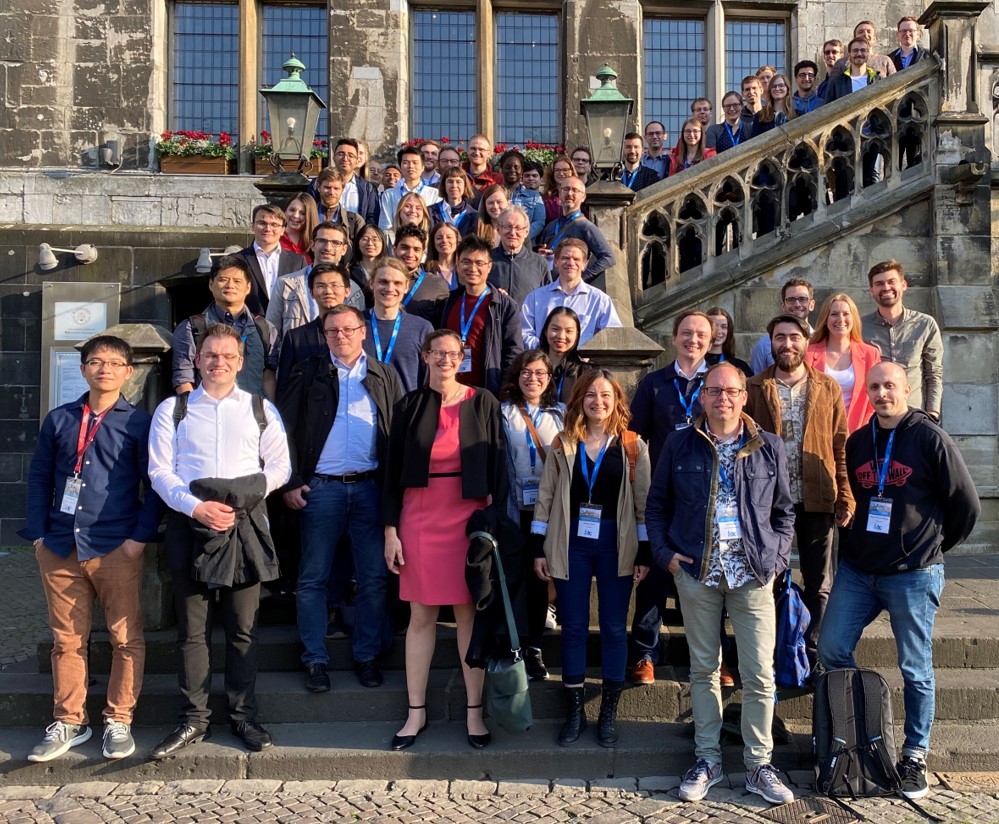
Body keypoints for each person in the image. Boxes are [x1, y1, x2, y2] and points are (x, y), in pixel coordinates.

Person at [818, 361, 980, 801]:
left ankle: (915, 755)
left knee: (915, 667)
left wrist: (932, 551)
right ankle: (861, 733)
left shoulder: (930, 438)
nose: (882, 393)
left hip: (912, 573)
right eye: (875, 386)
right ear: (866, 393)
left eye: (890, 385)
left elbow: (966, 504)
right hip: (858, 570)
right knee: (832, 646)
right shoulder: (858, 441)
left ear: (907, 388)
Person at [646, 362, 795, 805]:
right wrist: (664, 556)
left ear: (744, 396)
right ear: (703, 397)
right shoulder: (679, 443)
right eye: (714, 391)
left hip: (752, 574)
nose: (723, 398)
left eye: (731, 391)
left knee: (759, 674)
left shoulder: (769, 446)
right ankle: (707, 759)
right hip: (698, 572)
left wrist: (777, 558)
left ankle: (758, 765)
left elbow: (785, 512)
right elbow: (656, 508)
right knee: (703, 670)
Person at [147, 324, 291, 759]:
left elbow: (281, 467)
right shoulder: (174, 409)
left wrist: (241, 499)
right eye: (210, 354)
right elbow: (159, 471)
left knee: (243, 630)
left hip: (244, 526)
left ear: (240, 362)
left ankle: (243, 715)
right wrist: (196, 507)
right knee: (192, 631)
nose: (218, 362)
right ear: (199, 358)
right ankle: (193, 719)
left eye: (228, 356)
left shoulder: (260, 408)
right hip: (189, 525)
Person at [22, 335, 162, 763]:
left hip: (115, 544)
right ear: (82, 369)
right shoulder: (60, 419)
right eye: (95, 362)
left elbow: (154, 486)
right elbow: (40, 476)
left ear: (128, 372)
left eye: (114, 363)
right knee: (67, 641)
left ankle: (119, 719)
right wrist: (39, 535)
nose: (104, 369)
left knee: (125, 637)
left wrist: (138, 539)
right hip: (61, 545)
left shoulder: (139, 423)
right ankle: (70, 721)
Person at [383, 329, 508, 751]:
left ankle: (475, 709)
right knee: (421, 617)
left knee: (468, 614)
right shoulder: (408, 406)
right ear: (425, 356)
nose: (445, 360)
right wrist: (390, 530)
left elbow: (499, 468)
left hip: (468, 517)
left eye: (453, 354)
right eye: (438, 353)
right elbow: (390, 472)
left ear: (463, 357)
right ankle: (415, 711)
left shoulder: (484, 402)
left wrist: (493, 526)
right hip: (418, 514)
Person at [279, 305, 404, 693]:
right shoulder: (308, 372)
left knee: (372, 578)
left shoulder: (384, 376)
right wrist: (291, 481)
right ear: (324, 335)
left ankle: (367, 655)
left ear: (363, 332)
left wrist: (393, 496)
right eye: (332, 331)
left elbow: (398, 437)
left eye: (348, 329)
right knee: (313, 577)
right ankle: (315, 659)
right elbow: (283, 431)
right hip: (321, 489)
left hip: (370, 489)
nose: (341, 337)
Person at [532, 369, 651, 747]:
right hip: (572, 543)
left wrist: (644, 552)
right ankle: (574, 711)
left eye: (605, 395)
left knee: (615, 628)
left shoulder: (633, 445)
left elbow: (643, 504)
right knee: (574, 628)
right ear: (579, 400)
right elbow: (546, 496)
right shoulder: (563, 443)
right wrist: (539, 546)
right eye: (590, 396)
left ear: (617, 400)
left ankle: (609, 713)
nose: (598, 402)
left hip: (616, 543)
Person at [745, 314, 854, 668]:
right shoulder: (753, 387)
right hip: (767, 502)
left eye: (794, 337)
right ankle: (771, 646)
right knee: (766, 577)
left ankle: (813, 647)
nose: (787, 344)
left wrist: (846, 494)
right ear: (771, 342)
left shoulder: (827, 387)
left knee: (819, 580)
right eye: (780, 337)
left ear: (807, 342)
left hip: (817, 496)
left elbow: (841, 443)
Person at [627, 310, 713, 684]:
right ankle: (646, 652)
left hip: (707, 494)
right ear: (674, 338)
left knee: (713, 577)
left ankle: (716, 657)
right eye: (686, 333)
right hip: (663, 494)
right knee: (654, 575)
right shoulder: (654, 384)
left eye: (701, 335)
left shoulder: (720, 381)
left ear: (710, 341)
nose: (693, 340)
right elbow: (635, 435)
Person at [500, 350, 565, 681]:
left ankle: (535, 647)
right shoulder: (502, 413)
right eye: (526, 372)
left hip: (551, 512)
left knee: (542, 580)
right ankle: (514, 647)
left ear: (550, 378)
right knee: (515, 578)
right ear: (517, 375)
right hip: (514, 509)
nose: (533, 378)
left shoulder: (561, 415)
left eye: (541, 373)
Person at [172, 255, 279, 399]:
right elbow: (183, 378)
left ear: (248, 287)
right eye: (223, 280)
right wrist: (195, 410)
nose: (230, 285)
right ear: (211, 284)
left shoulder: (265, 328)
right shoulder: (192, 327)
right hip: (207, 412)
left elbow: (269, 376)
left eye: (237, 281)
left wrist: (266, 411)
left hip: (251, 414)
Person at [432, 234, 522, 397]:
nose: (472, 268)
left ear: (489, 266)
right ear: (458, 265)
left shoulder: (505, 306)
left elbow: (513, 354)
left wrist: (503, 395)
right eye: (466, 262)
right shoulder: (448, 302)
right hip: (450, 390)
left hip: (487, 392)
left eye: (479, 263)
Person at [862, 259, 943, 420]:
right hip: (873, 418)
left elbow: (933, 373)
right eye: (879, 284)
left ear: (903, 285)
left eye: (891, 282)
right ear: (871, 290)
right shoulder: (860, 327)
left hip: (914, 417)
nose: (886, 288)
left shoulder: (925, 324)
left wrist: (932, 413)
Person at [267, 223, 356, 363]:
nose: (328, 247)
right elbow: (271, 332)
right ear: (313, 245)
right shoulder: (285, 284)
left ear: (344, 249)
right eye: (322, 241)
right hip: (295, 368)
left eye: (335, 243)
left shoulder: (354, 291)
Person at [521, 238, 622, 349]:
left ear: (585, 264)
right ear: (556, 261)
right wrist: (547, 350)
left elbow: (614, 336)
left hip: (582, 364)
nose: (571, 263)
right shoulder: (535, 297)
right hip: (545, 362)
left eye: (576, 259)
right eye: (565, 258)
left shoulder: (600, 300)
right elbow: (524, 333)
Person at [805, 294, 882, 433]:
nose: (840, 319)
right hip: (818, 432)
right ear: (825, 319)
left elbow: (874, 398)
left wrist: (864, 430)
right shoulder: (808, 353)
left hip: (859, 431)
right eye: (834, 314)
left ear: (854, 318)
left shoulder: (871, 354)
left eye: (846, 314)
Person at [276, 264, 353, 395]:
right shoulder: (295, 338)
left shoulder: (360, 332)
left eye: (335, 285)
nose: (328, 291)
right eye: (320, 286)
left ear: (347, 291)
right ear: (311, 292)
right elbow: (284, 388)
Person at [362, 257, 433, 393]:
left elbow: (428, 380)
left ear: (406, 287)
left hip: (406, 410)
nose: (390, 288)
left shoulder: (421, 328)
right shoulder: (354, 324)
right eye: (383, 282)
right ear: (371, 283)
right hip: (363, 410)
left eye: (397, 283)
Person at [536, 176, 616, 283]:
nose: (569, 193)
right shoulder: (551, 226)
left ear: (583, 197)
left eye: (575, 190)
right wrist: (539, 256)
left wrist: (581, 278)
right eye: (566, 189)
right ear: (560, 194)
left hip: (572, 291)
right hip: (547, 286)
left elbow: (608, 258)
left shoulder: (586, 227)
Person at [235, 204, 307, 315]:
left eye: (274, 224)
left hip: (286, 326)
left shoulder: (298, 262)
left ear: (283, 230)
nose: (268, 229)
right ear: (252, 226)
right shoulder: (236, 260)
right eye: (262, 223)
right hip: (249, 326)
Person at [489, 205, 552, 306]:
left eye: (518, 228)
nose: (513, 232)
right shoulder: (486, 260)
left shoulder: (540, 263)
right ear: (498, 230)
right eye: (507, 227)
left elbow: (547, 301)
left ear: (526, 232)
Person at [750, 278, 815, 374]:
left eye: (802, 299)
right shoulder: (763, 346)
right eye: (791, 300)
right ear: (783, 305)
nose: (797, 304)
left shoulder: (822, 340)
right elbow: (755, 384)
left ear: (811, 305)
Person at [379, 145, 441, 232]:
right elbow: (385, 226)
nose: (411, 166)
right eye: (406, 162)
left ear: (423, 167)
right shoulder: (389, 194)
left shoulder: (434, 194)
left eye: (415, 162)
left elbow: (436, 225)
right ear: (400, 167)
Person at [394, 224, 450, 316]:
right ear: (394, 249)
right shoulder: (381, 281)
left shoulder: (437, 284)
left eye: (416, 249)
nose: (410, 254)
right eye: (405, 248)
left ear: (423, 253)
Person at [540, 306, 586, 404]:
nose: (561, 336)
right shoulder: (530, 366)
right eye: (555, 329)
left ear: (577, 335)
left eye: (569, 331)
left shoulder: (583, 372)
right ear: (545, 331)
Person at [499, 149, 546, 242]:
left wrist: (520, 237)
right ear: (501, 169)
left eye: (516, 167)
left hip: (525, 247)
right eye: (507, 167)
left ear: (522, 171)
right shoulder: (492, 194)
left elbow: (539, 222)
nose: (512, 170)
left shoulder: (535, 196)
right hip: (497, 245)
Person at [331, 137, 380, 226]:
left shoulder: (368, 189)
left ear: (357, 160)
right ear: (334, 158)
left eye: (350, 155)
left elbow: (372, 219)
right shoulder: (317, 184)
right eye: (341, 154)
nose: (345, 158)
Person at [830, 20, 897, 80]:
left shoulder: (885, 61)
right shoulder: (841, 63)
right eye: (860, 32)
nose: (865, 34)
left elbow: (895, 85)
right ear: (854, 38)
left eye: (869, 31)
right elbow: (833, 88)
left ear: (875, 38)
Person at [312, 168, 365, 239]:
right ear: (318, 187)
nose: (331, 192)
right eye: (327, 187)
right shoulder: (306, 216)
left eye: (336, 188)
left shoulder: (355, 221)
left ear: (342, 190)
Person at [705, 307, 753, 377]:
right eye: (713, 326)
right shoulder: (695, 363)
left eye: (723, 327)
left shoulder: (739, 366)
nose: (718, 331)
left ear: (729, 331)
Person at [432, 166, 478, 236]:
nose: (454, 185)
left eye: (458, 181)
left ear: (465, 185)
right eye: (450, 181)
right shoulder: (430, 212)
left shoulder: (474, 215)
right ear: (444, 185)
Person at [349, 223, 388, 298]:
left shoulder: (388, 271)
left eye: (375, 239)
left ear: (383, 243)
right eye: (365, 239)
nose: (370, 243)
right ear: (357, 244)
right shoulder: (349, 272)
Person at [426, 221, 462, 292]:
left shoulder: (464, 269)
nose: (444, 241)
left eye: (449, 237)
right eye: (439, 238)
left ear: (457, 240)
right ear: (433, 243)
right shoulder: (425, 270)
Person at [280, 192, 319, 258]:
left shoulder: (317, 241)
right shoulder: (275, 237)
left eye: (302, 213)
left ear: (310, 216)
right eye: (292, 210)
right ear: (285, 211)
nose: (295, 215)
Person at [474, 183, 510, 248]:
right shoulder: (477, 229)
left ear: (509, 203)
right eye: (490, 203)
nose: (495, 206)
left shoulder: (517, 229)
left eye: (499, 202)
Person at [542, 154, 576, 223]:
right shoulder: (546, 198)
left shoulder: (578, 194)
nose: (561, 173)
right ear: (552, 173)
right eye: (557, 170)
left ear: (571, 171)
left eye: (565, 170)